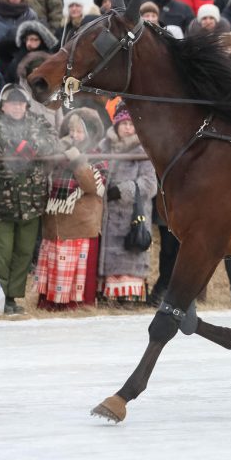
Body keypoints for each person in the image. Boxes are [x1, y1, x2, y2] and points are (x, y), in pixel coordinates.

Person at [0, 84, 60, 314]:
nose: (16, 107)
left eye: (20, 103)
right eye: (12, 103)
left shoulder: (38, 122)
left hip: (31, 202)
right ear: (3, 105)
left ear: (26, 105)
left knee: (23, 253)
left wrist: (33, 147)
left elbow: (54, 141)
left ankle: (12, 297)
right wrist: (10, 145)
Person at [36, 108, 108, 310]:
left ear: (90, 134)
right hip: (56, 221)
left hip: (81, 223)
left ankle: (75, 303)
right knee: (55, 262)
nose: (74, 136)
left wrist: (77, 160)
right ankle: (51, 302)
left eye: (79, 131)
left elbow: (93, 187)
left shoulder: (97, 156)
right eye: (71, 130)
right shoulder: (61, 154)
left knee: (78, 267)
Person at [98, 105, 157, 302]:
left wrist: (122, 190)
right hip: (107, 214)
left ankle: (128, 296)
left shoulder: (143, 149)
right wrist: (104, 189)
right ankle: (107, 294)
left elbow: (150, 185)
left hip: (131, 214)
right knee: (107, 255)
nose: (128, 128)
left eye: (132, 124)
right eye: (124, 124)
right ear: (116, 125)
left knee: (129, 255)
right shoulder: (104, 146)